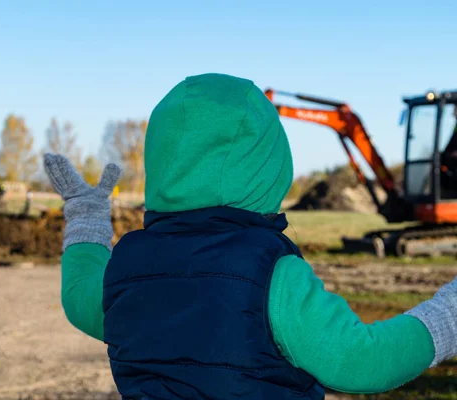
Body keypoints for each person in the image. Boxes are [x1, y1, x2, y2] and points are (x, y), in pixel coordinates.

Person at [44, 73, 457, 399]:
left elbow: (80, 298)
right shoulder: (271, 272)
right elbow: (364, 361)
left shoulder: (128, 268)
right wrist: (446, 318)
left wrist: (87, 216)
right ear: (270, 164)